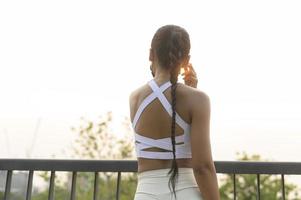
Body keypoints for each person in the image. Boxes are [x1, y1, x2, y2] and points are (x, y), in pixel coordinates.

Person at [129, 25, 220, 200]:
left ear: (151, 54)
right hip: (186, 193)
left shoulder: (135, 99)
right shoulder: (198, 100)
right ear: (186, 61)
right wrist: (193, 91)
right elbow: (202, 167)